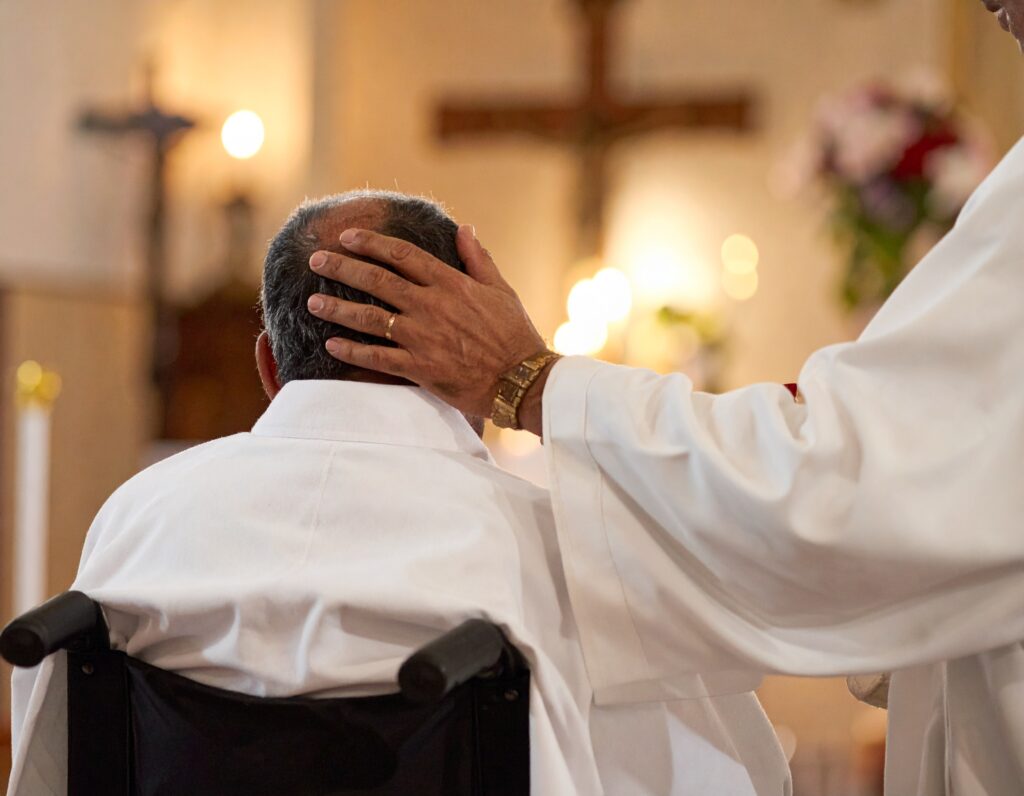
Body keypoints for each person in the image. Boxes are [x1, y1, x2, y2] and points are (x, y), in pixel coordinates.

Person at [300, 5, 1024, 793]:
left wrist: (531, 380)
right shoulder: (526, 558)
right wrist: (537, 383)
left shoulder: (143, 530)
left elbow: (864, 477)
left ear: (271, 365)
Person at [8, 190, 793, 796]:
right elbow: (725, 774)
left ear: (269, 368)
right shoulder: (568, 548)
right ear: (465, 352)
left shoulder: (138, 517)